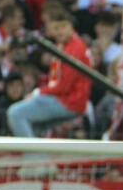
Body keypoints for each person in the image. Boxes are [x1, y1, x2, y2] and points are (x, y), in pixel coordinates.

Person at [6, 9, 91, 138]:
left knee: (15, 113)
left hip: (69, 100)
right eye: (56, 28)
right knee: (33, 127)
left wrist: (37, 92)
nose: (60, 32)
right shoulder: (62, 45)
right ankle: (36, 151)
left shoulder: (75, 47)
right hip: (68, 99)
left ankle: (30, 152)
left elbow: (64, 86)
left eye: (63, 27)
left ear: (71, 27)